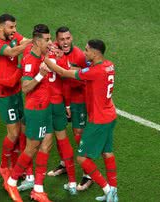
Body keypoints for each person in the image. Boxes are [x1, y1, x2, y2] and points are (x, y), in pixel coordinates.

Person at [44, 39, 119, 202]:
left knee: (82, 158)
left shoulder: (94, 72)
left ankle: (108, 190)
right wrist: (62, 57)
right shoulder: (109, 65)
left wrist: (47, 59)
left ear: (95, 52)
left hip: (98, 120)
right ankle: (114, 190)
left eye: (87, 50)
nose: (84, 53)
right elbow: (81, 66)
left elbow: (64, 73)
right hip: (110, 115)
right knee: (107, 152)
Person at [3, 24, 53, 202]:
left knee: (47, 143)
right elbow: (25, 87)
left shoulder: (40, 53)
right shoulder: (32, 60)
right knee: (32, 148)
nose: (50, 42)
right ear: (38, 42)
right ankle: (11, 181)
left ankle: (38, 189)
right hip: (36, 109)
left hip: (45, 107)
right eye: (47, 40)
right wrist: (39, 75)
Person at [0, 14, 32, 181]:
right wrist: (33, 43)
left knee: (21, 129)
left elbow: (24, 40)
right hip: (2, 92)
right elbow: (12, 51)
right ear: (1, 27)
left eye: (15, 27)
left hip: (16, 89)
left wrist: (31, 42)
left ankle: (18, 162)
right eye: (11, 27)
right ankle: (4, 165)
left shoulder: (13, 36)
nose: (15, 30)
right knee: (13, 132)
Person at [46, 26, 92, 191]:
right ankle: (64, 163)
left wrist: (71, 70)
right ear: (57, 40)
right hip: (60, 99)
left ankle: (88, 174)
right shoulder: (54, 52)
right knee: (60, 132)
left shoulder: (80, 55)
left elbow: (88, 76)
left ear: (71, 38)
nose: (65, 42)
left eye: (67, 39)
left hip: (78, 100)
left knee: (79, 135)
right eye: (61, 39)